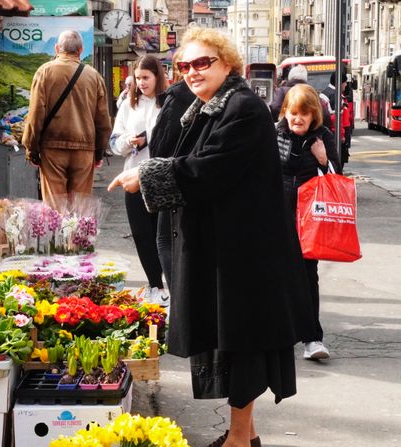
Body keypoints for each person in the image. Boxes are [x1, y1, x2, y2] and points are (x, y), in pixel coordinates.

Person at [108, 27, 314, 447]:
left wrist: (145, 174)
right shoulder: (206, 107)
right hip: (227, 248)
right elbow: (187, 158)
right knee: (230, 341)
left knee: (242, 344)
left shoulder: (241, 108)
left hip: (245, 254)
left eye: (203, 63)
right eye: (184, 65)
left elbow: (207, 168)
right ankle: (245, 435)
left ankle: (239, 440)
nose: (192, 72)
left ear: (227, 64)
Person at [276, 84, 341, 361]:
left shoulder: (322, 137)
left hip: (309, 221)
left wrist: (324, 159)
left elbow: (337, 178)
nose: (298, 119)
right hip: (277, 217)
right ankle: (278, 336)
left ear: (314, 114)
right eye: (293, 113)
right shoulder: (273, 134)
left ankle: (312, 339)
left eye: (304, 113)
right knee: (275, 277)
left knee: (306, 278)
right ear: (286, 113)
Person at [22, 30, 112, 209]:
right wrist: (99, 152)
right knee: (79, 208)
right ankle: (76, 237)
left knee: (55, 209)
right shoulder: (94, 76)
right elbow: (103, 120)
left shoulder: (44, 72)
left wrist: (31, 149)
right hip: (84, 150)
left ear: (57, 48)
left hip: (52, 149)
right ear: (80, 50)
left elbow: (35, 115)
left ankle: (59, 237)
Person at [110, 56, 169, 306]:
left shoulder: (167, 103)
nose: (141, 82)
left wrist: (151, 139)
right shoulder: (128, 105)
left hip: (161, 177)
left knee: (163, 235)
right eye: (138, 77)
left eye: (146, 77)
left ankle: (169, 285)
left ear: (157, 77)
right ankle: (154, 284)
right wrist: (129, 141)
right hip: (132, 175)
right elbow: (114, 142)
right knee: (141, 234)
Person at [149, 57, 196, 290]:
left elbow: (158, 145)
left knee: (166, 239)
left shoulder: (176, 98)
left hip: (172, 178)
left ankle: (178, 297)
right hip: (196, 181)